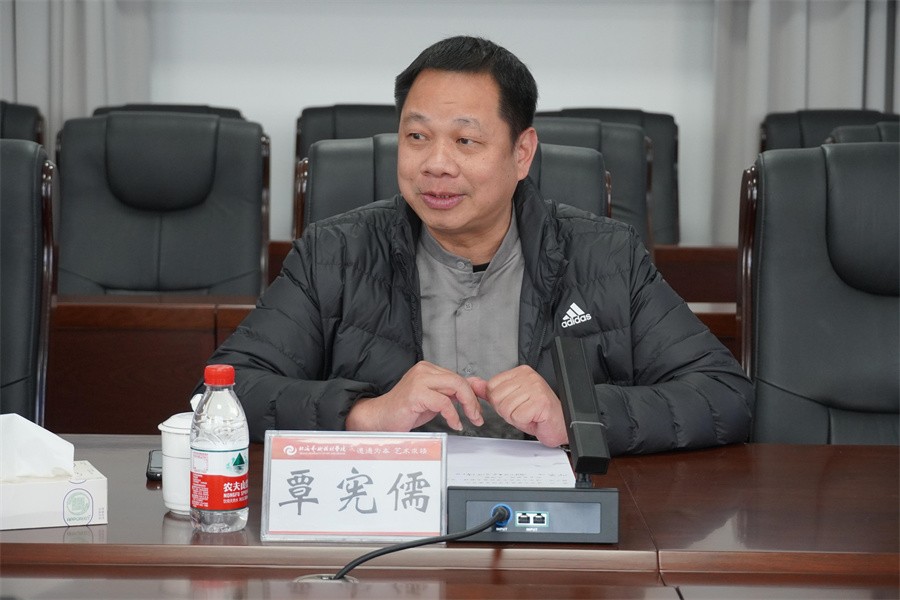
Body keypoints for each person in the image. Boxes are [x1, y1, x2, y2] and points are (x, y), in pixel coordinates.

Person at [199, 35, 753, 455]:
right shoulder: (336, 254)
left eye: (466, 140)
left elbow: (724, 396)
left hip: (548, 537)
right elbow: (225, 391)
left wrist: (578, 414)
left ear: (522, 153)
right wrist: (365, 415)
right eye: (417, 137)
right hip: (388, 534)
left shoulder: (604, 256)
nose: (436, 163)